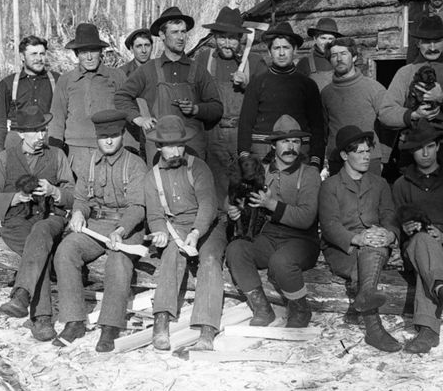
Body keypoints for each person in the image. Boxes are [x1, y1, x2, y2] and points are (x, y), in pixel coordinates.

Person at [51, 109, 148, 353]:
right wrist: (78, 212)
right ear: (96, 137)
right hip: (96, 226)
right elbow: (82, 198)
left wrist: (122, 230)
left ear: (122, 135)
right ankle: (74, 321)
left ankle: (109, 326)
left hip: (128, 227)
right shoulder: (89, 164)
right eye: (103, 136)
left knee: (118, 261)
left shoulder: (135, 164)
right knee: (66, 251)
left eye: (113, 136)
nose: (108, 141)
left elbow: (138, 206)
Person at [0, 106, 76, 342]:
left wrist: (54, 191)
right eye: (34, 131)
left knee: (39, 236)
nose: (41, 136)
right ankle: (40, 316)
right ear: (21, 133)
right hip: (17, 223)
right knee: (37, 248)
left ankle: (25, 299)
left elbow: (74, 195)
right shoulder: (5, 158)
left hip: (50, 219)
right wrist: (14, 197)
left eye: (43, 130)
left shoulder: (57, 155)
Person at [388, 125, 443, 354]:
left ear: (438, 146)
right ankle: (442, 290)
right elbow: (393, 224)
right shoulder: (402, 185)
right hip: (416, 249)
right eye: (419, 149)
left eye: (430, 147)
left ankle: (428, 329)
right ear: (411, 152)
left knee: (428, 266)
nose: (426, 153)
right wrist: (405, 228)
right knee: (423, 242)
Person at [226, 115, 321, 329]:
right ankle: (262, 308)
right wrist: (232, 207)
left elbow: (306, 218)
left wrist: (271, 204)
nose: (291, 147)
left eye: (296, 142)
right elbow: (234, 192)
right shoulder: (262, 170)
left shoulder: (310, 174)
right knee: (236, 249)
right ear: (273, 145)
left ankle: (300, 308)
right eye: (285, 142)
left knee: (281, 262)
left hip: (302, 240)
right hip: (268, 237)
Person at [143, 115, 225, 351]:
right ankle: (161, 322)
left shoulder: (198, 167)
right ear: (158, 146)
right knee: (170, 255)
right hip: (175, 226)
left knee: (209, 260)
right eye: (169, 146)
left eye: (180, 144)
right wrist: (159, 232)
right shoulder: (152, 177)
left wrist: (197, 232)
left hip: (208, 225)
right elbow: (156, 216)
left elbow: (208, 205)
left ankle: (206, 329)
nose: (176, 151)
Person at [319, 125, 401, 352]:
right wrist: (357, 238)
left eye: (368, 152)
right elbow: (329, 225)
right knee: (362, 262)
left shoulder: (380, 183)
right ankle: (374, 329)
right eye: (360, 152)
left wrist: (389, 234)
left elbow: (389, 216)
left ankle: (368, 306)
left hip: (376, 243)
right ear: (345, 155)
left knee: (372, 250)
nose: (367, 157)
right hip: (342, 248)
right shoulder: (330, 186)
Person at [114, 6, 223, 165]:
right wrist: (138, 119)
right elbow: (121, 97)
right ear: (162, 35)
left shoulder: (198, 70)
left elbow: (217, 108)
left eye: (183, 32)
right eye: (175, 32)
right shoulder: (148, 70)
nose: (181, 37)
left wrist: (195, 109)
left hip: (191, 149)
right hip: (160, 148)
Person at [380, 15, 443, 178]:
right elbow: (385, 112)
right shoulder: (405, 73)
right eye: (426, 41)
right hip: (414, 149)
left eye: (437, 41)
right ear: (418, 43)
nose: (432, 47)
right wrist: (413, 115)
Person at [198, 6, 267, 199]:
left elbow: (267, 98)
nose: (227, 44)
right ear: (214, 38)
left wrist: (248, 85)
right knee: (218, 190)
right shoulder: (205, 59)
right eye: (222, 37)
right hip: (213, 134)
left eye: (233, 38)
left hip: (244, 135)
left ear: (241, 39)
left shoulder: (254, 62)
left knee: (246, 188)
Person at [237, 22, 326, 169]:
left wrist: (316, 160)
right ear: (270, 52)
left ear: (295, 50)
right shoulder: (257, 83)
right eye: (277, 48)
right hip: (262, 153)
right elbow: (246, 124)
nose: (282, 53)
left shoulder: (308, 85)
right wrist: (245, 157)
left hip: (298, 152)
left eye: (286, 48)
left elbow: (317, 127)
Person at [47, 22, 130, 179]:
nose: (90, 57)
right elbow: (57, 117)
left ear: (101, 52)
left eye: (93, 51)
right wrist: (55, 151)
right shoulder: (66, 80)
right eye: (84, 52)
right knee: (79, 198)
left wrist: (130, 148)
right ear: (77, 54)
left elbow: (128, 112)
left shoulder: (117, 77)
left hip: (110, 148)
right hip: (75, 152)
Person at [320, 37, 390, 177]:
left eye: (344, 54)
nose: (339, 59)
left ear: (354, 57)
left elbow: (388, 125)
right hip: (338, 160)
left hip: (369, 159)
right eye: (334, 55)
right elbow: (324, 129)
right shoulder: (326, 93)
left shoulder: (374, 88)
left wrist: (384, 158)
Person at [0, 35, 59, 159]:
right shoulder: (9, 83)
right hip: (17, 143)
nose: (39, 58)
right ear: (22, 57)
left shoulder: (57, 80)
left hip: (47, 141)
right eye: (33, 54)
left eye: (42, 54)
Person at [297, 17, 340, 89]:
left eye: (330, 39)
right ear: (315, 38)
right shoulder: (304, 63)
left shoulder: (340, 60)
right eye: (323, 38)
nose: (326, 43)